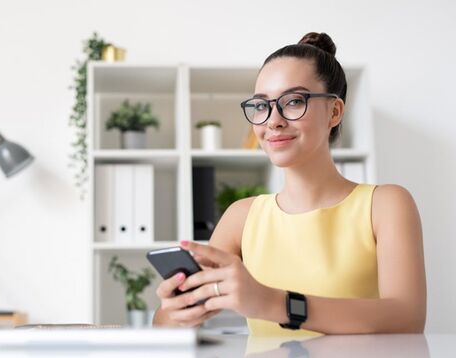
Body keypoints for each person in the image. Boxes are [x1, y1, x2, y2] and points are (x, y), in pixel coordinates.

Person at [153, 32, 426, 335]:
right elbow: (163, 325)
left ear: (334, 111)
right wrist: (176, 308)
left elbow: (407, 317)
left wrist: (274, 303)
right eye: (261, 106)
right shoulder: (241, 217)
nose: (272, 121)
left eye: (294, 101)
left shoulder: (386, 205)